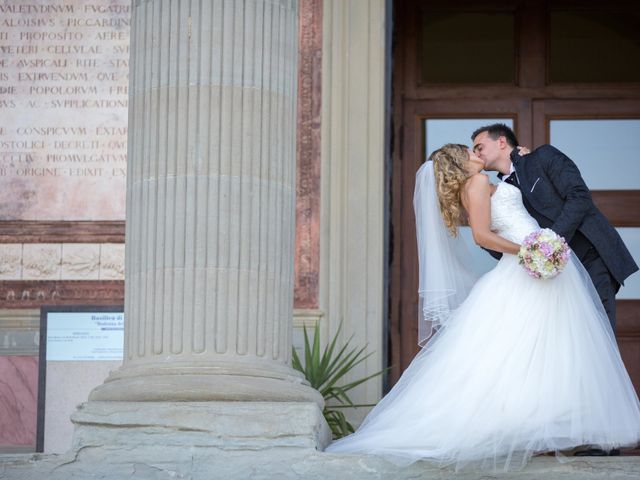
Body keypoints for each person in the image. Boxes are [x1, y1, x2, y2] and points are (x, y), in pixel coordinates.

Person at [324, 144, 640, 471]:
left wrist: (521, 165)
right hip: (526, 267)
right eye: (469, 151)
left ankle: (557, 422)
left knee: (546, 348)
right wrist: (527, 251)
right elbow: (481, 236)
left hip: (541, 265)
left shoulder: (485, 182)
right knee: (534, 349)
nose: (477, 154)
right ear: (461, 162)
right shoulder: (475, 184)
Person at [472, 123, 638, 332]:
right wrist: (486, 235)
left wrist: (550, 241)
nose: (476, 153)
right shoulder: (499, 192)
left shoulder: (542, 157)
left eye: (480, 147)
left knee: (598, 332)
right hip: (551, 277)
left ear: (502, 141)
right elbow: (507, 246)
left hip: (590, 257)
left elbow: (579, 196)